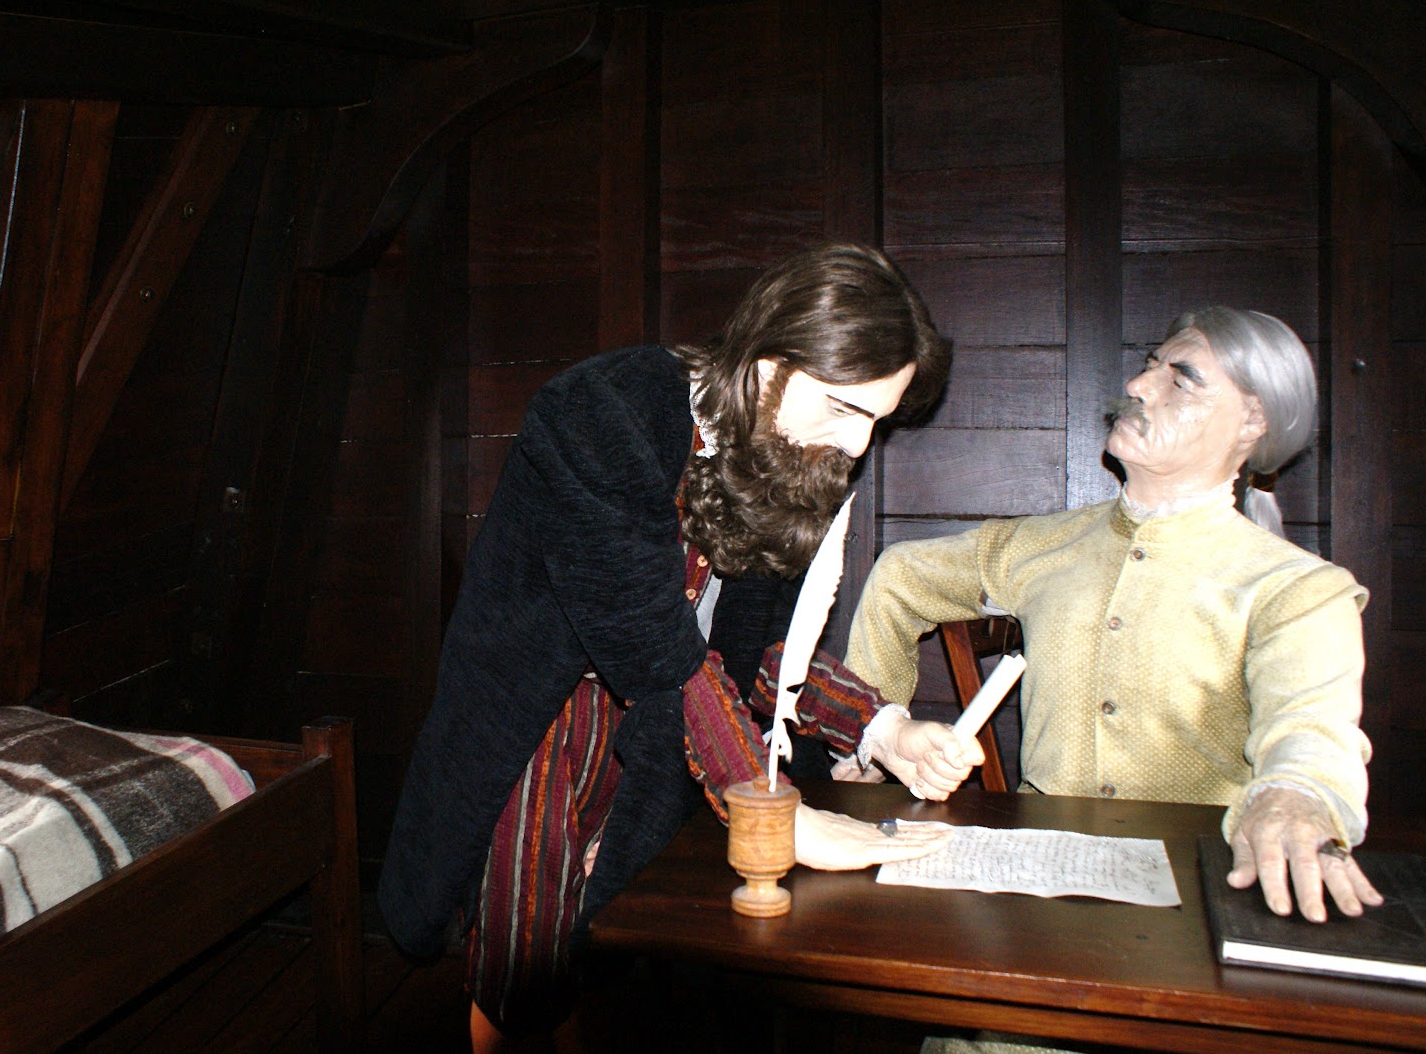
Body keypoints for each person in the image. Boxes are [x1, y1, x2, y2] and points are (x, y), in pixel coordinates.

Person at [377, 242, 956, 1052]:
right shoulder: (601, 413)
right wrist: (773, 810)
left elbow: (759, 654)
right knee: (523, 973)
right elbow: (657, 641)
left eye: (876, 421)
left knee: (609, 972)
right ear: (766, 364)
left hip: (662, 743)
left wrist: (883, 728)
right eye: (842, 408)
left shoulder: (788, 457)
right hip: (539, 733)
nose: (858, 446)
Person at [845, 306, 1381, 925]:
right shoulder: (1040, 545)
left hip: (1197, 894)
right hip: (1035, 883)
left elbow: (1311, 727)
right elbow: (903, 575)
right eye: (1150, 365)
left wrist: (1296, 793)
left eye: (1182, 379)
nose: (1138, 384)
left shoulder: (1298, 588)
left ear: (1253, 421)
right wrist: (873, 739)